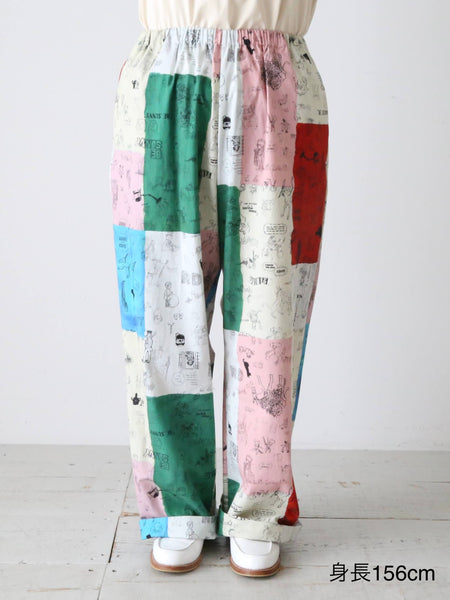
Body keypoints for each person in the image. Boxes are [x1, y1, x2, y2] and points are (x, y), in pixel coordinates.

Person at [110, 0, 329, 578]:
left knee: (270, 319)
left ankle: (256, 507)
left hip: (276, 72)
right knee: (161, 309)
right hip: (165, 71)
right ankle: (177, 503)